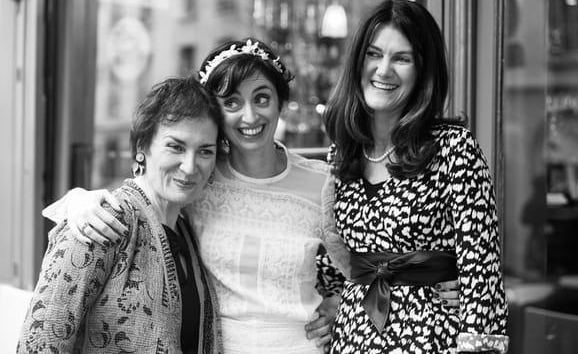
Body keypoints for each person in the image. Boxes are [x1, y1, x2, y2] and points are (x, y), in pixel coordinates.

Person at [43, 38, 460, 353]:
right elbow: (143, 196)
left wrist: (425, 279)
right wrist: (78, 200)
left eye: (262, 99)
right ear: (215, 113)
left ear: (280, 104)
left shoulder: (324, 181)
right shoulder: (200, 178)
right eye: (232, 102)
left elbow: (361, 265)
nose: (250, 116)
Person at [323, 0, 509, 353]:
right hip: (352, 338)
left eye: (402, 58)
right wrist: (325, 303)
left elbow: (481, 268)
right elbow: (331, 263)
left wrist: (479, 340)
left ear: (424, 71)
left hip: (430, 339)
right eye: (374, 54)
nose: (384, 70)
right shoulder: (341, 154)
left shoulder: (454, 148)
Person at [18, 76, 224, 353]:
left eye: (205, 151)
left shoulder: (189, 233)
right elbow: (40, 343)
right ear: (142, 148)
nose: (189, 166)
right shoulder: (100, 220)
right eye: (175, 146)